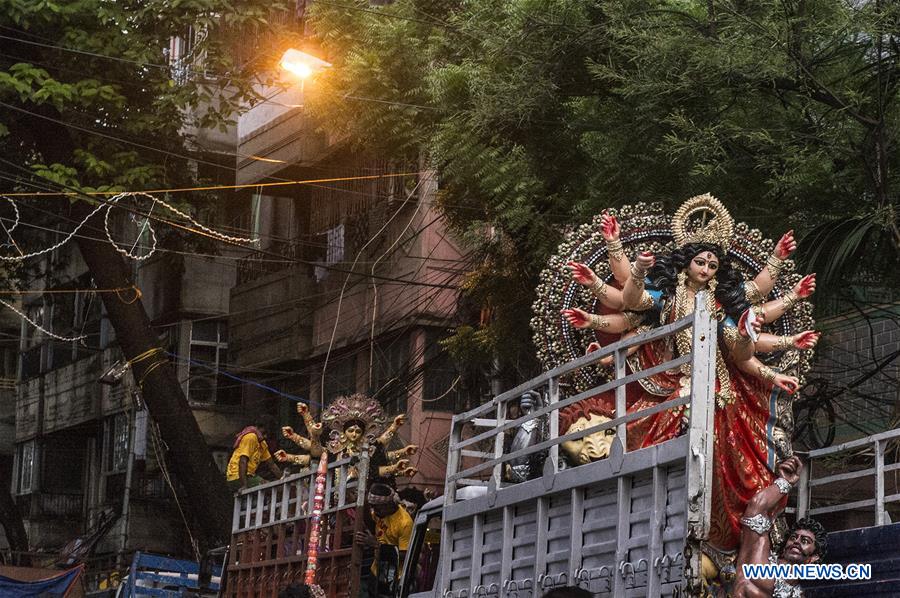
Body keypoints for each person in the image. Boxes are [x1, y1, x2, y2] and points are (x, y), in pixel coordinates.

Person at [558, 194, 820, 566]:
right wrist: (631, 263)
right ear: (686, 264)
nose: (708, 268)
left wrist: (780, 351)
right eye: (701, 261)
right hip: (669, 389)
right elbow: (631, 301)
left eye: (713, 264)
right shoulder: (666, 297)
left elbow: (745, 345)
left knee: (724, 465)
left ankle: (718, 539)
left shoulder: (720, 305)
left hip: (719, 396)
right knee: (635, 444)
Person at [733, 456, 827, 597]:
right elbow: (756, 508)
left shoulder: (798, 595)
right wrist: (785, 483)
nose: (796, 541)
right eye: (794, 537)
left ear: (814, 558)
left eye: (805, 541)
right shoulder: (759, 552)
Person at [356, 483, 414, 597]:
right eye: (372, 507)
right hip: (376, 572)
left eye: (376, 507)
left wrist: (377, 546)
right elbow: (371, 522)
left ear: (388, 504)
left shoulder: (405, 523)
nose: (374, 510)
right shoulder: (380, 513)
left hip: (393, 578)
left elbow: (405, 555)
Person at [226, 415, 282, 492]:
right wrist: (244, 485)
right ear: (259, 427)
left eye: (268, 434)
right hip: (237, 476)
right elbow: (242, 461)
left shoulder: (262, 443)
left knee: (275, 488)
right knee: (271, 488)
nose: (265, 436)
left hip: (248, 476)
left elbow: (272, 465)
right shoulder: (251, 437)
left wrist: (283, 479)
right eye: (264, 432)